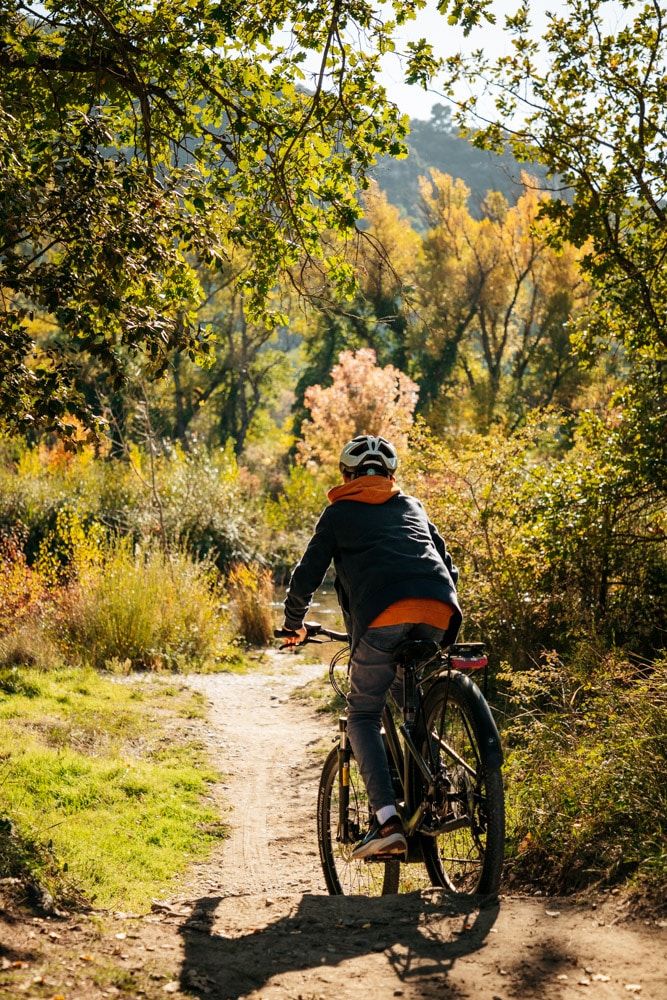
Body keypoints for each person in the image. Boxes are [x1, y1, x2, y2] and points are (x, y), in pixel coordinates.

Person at [281, 434, 462, 859]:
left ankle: (388, 822)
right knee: (408, 698)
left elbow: (306, 576)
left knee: (362, 713)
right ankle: (433, 787)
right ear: (391, 475)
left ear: (346, 476)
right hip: (439, 611)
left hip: (382, 618)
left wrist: (293, 625)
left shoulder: (338, 512)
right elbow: (447, 564)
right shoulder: (413, 505)